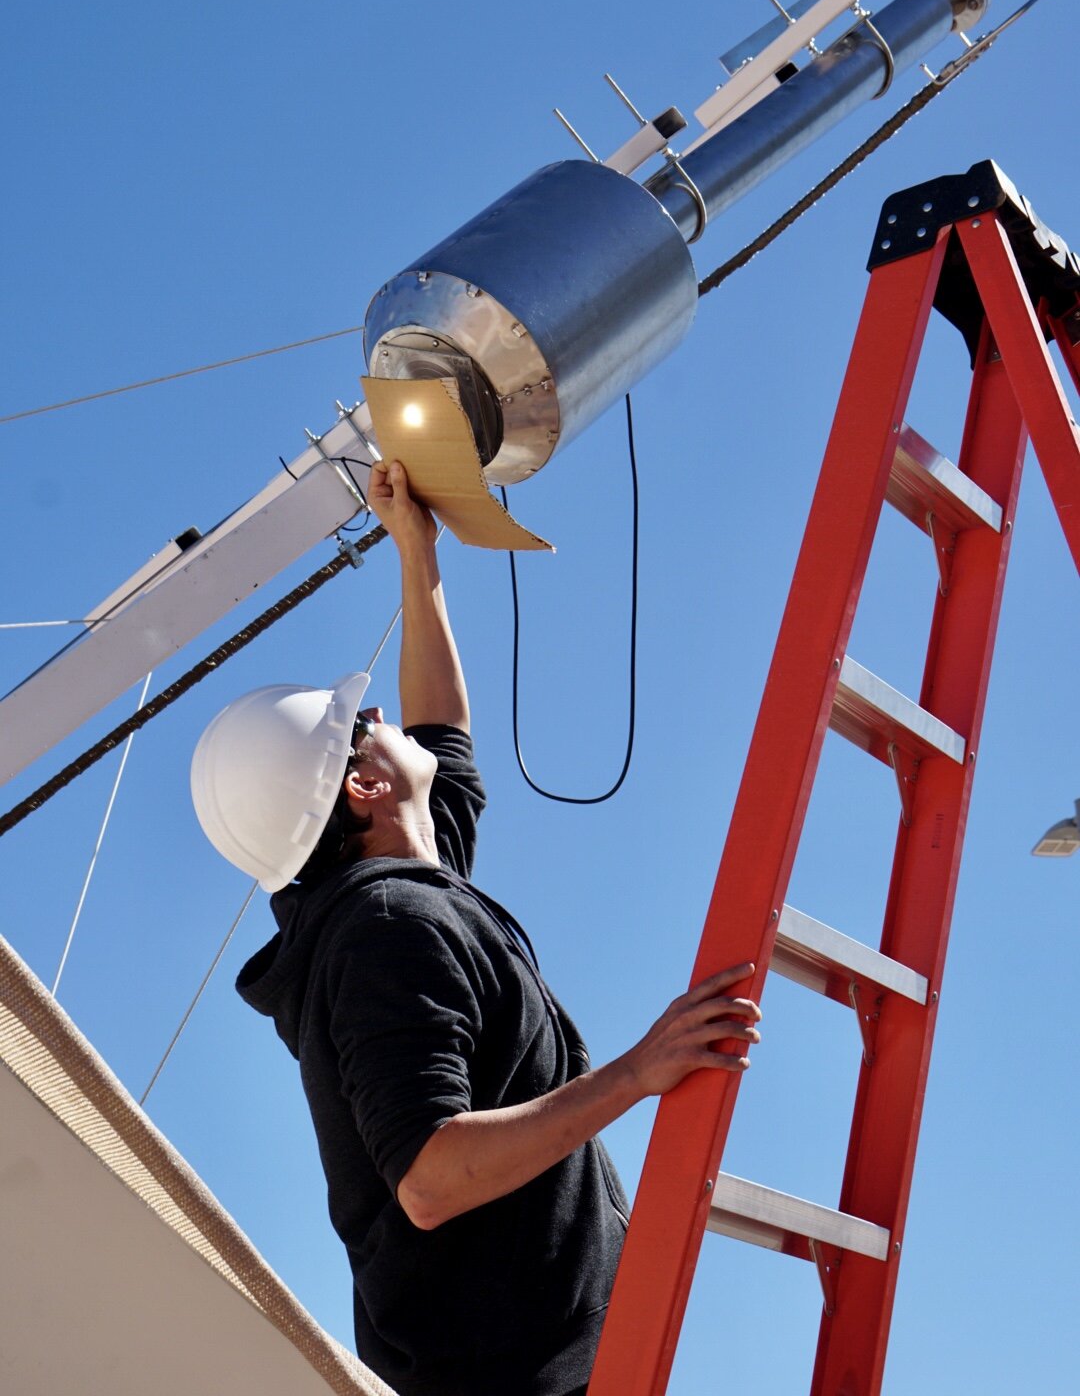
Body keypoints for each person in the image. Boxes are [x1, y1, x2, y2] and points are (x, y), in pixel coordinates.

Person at [191, 459, 761, 1396]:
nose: (384, 716)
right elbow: (429, 1177)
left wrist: (416, 552)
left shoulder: (404, 883)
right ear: (363, 786)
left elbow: (442, 740)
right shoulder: (388, 929)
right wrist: (638, 1072)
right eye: (363, 724)